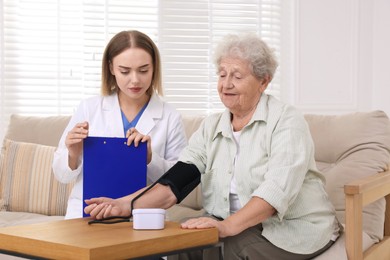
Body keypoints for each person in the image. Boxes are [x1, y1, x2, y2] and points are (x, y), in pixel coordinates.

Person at [84, 32, 340, 259]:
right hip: (230, 221)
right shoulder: (212, 126)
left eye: (237, 76)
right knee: (180, 242)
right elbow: (177, 180)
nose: (226, 84)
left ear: (263, 81)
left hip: (291, 228)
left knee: (231, 247)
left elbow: (275, 192)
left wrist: (226, 227)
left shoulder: (286, 121)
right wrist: (127, 204)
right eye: (222, 74)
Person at [53, 30, 187, 219]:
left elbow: (177, 182)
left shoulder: (170, 117)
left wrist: (149, 158)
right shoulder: (89, 109)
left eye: (143, 70)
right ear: (111, 68)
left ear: (154, 67)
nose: (135, 80)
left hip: (142, 217)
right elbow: (61, 175)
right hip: (87, 213)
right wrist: (72, 154)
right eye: (125, 71)